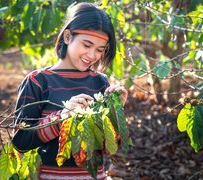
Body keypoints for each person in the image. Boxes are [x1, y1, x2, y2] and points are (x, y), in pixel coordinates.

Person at [12, 2, 128, 180]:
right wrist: (61, 117)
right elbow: (21, 142)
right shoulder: (38, 81)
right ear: (67, 37)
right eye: (86, 45)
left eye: (100, 50)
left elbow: (109, 148)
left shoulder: (100, 82)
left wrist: (115, 112)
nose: (92, 55)